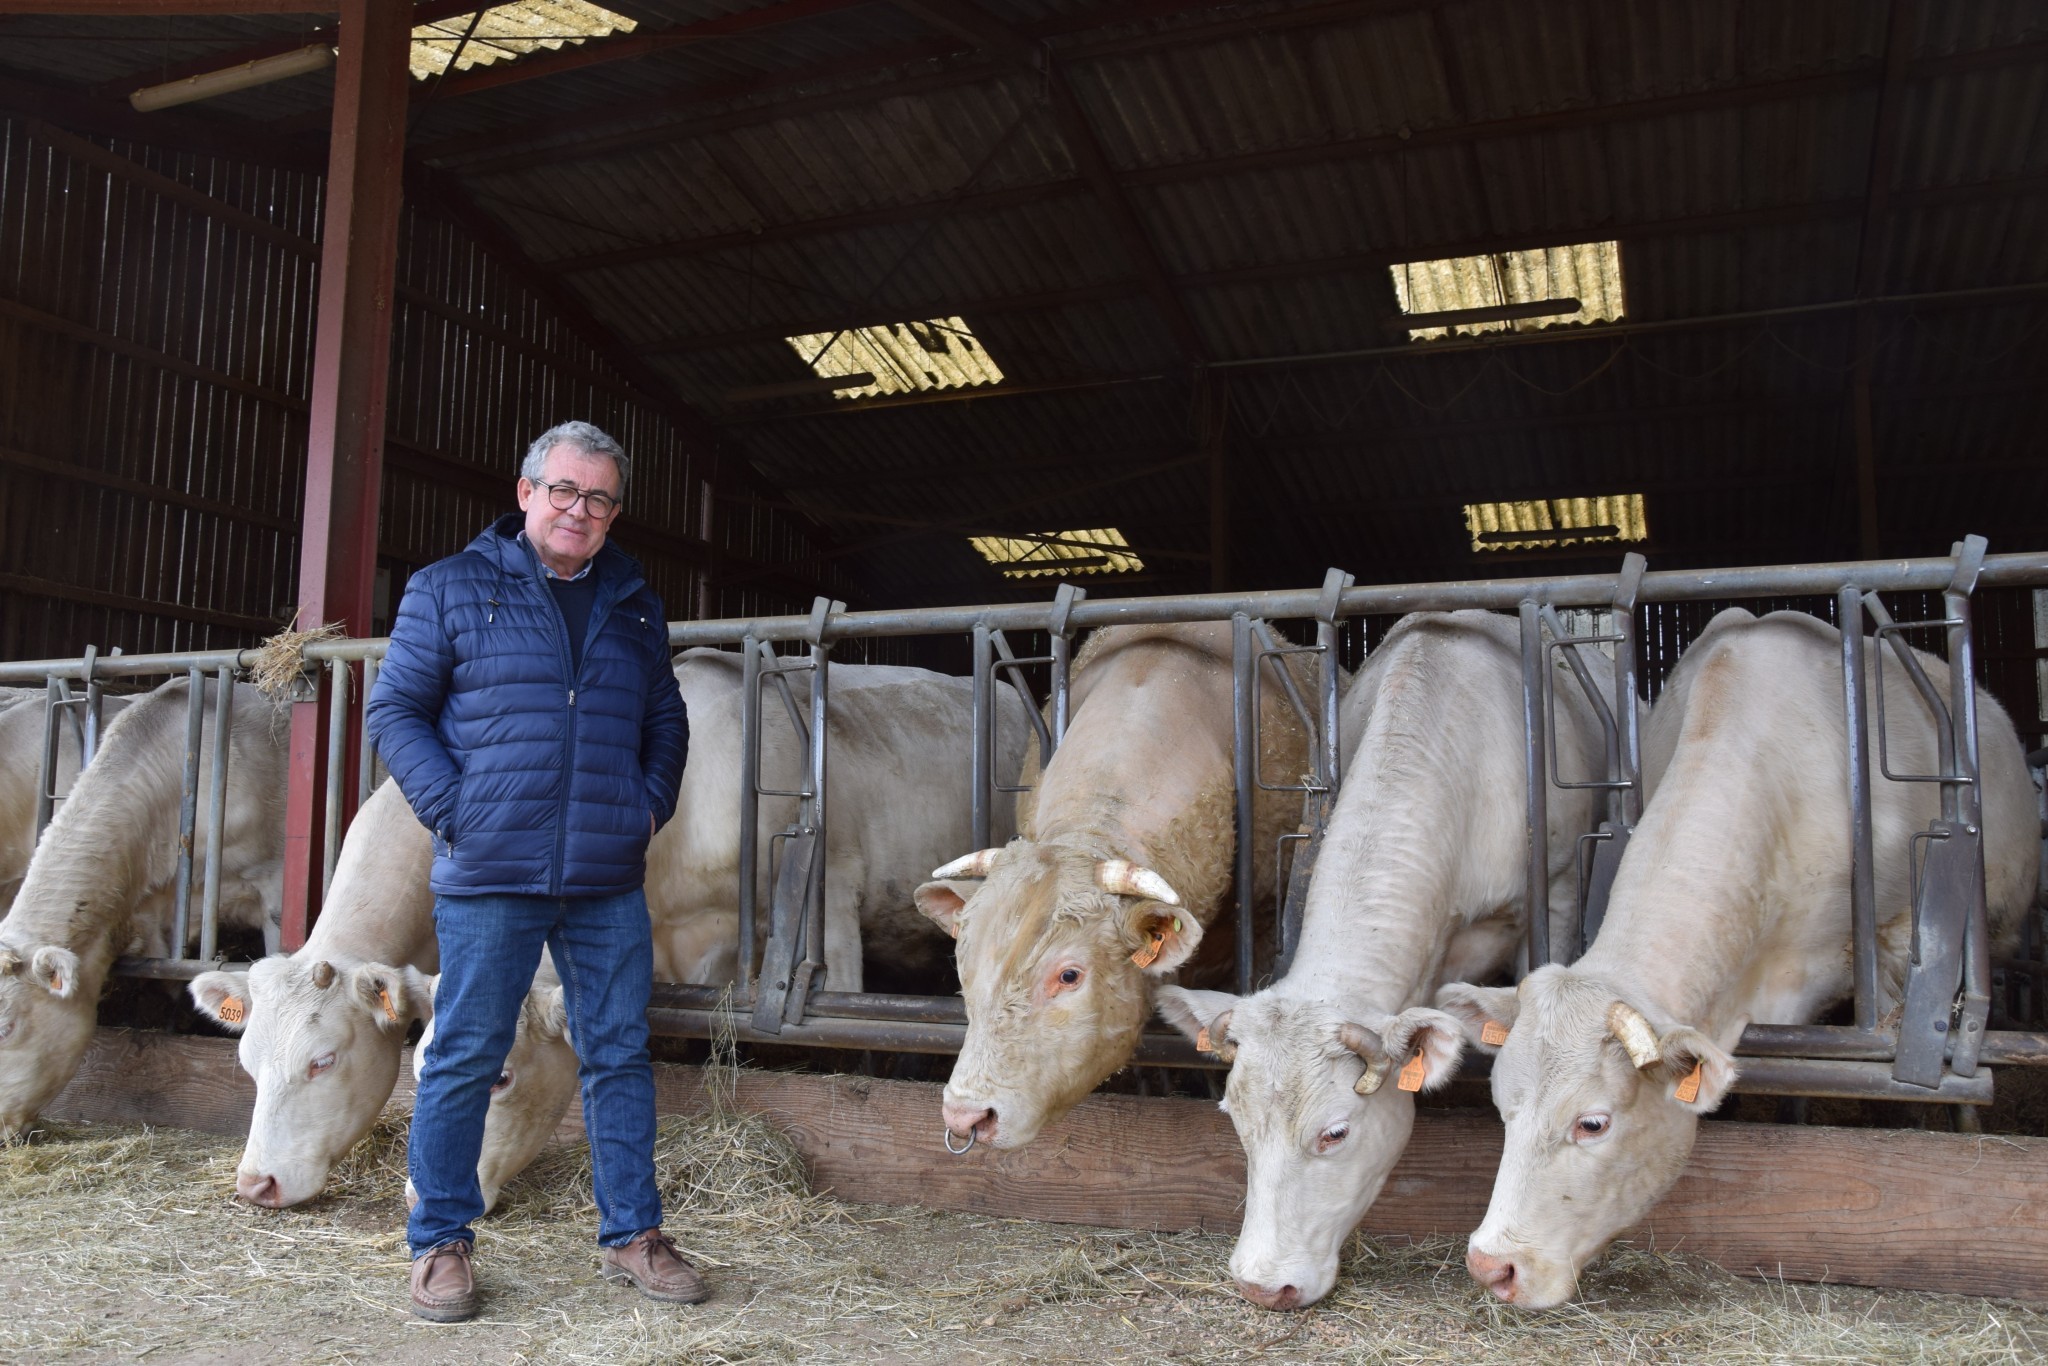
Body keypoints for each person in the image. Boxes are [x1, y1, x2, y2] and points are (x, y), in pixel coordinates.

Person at [367, 419, 699, 1322]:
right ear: (525, 494)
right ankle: (438, 1243)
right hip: (488, 870)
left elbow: (664, 719)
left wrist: (645, 806)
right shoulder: (448, 588)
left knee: (619, 1052)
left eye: (597, 498)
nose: (577, 510)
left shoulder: (633, 601)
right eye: (562, 489)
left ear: (613, 513)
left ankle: (635, 1234)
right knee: (465, 1055)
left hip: (603, 872)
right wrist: (455, 809)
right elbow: (395, 708)